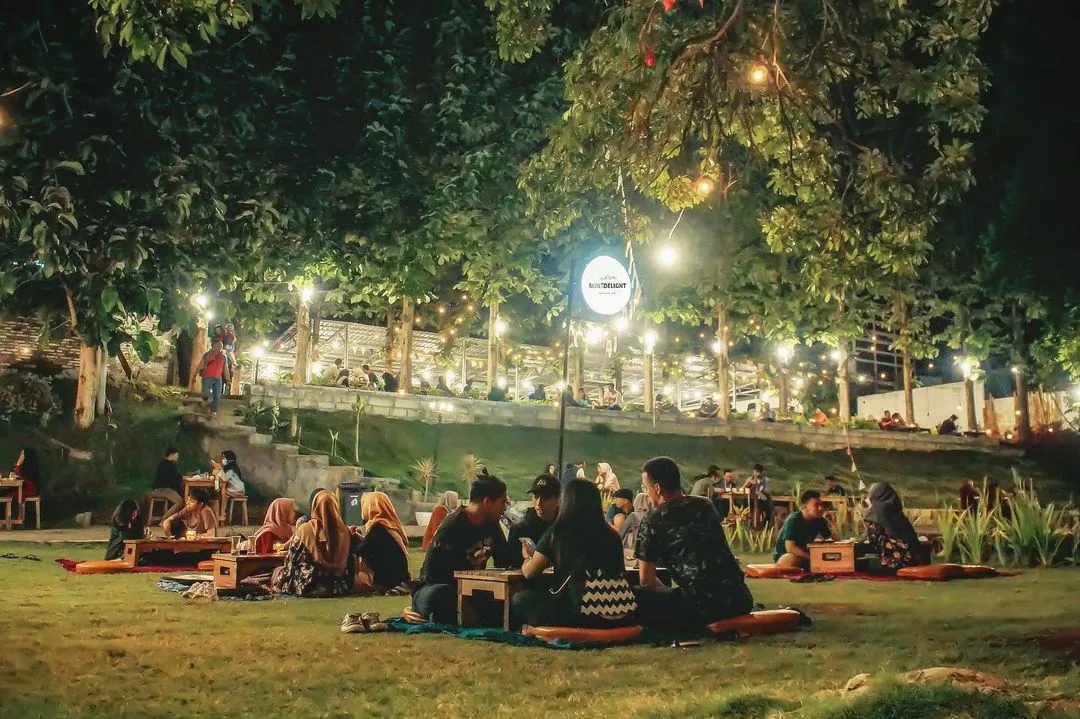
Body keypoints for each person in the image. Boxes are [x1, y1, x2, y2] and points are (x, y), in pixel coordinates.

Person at [634, 457, 753, 630]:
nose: (646, 493)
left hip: (701, 608)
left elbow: (646, 581)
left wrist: (666, 593)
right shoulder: (705, 505)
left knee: (637, 593)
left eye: (646, 488)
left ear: (657, 488)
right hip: (740, 599)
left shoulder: (652, 520)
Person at [512, 480, 635, 628]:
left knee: (521, 598)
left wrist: (528, 557)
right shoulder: (612, 535)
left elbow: (529, 572)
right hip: (616, 612)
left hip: (576, 613)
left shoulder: (558, 533)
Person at [411, 474, 511, 624]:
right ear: (487, 502)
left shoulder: (492, 525)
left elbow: (505, 561)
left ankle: (463, 615)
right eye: (502, 503)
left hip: (470, 590)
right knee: (441, 595)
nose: (504, 509)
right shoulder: (452, 525)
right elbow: (431, 575)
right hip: (437, 588)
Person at [274, 490, 353, 598]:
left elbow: (291, 561)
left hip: (307, 586)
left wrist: (281, 581)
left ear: (314, 506)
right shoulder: (345, 532)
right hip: (339, 587)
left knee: (276, 573)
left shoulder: (305, 530)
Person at [858, 482, 929, 574]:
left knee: (861, 564)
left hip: (896, 563)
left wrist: (857, 541)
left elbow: (872, 540)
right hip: (914, 559)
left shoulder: (876, 514)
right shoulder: (895, 510)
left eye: (870, 495)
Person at [355, 491, 411, 592]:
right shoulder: (389, 526)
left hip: (388, 582)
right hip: (399, 578)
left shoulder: (378, 527)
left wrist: (351, 538)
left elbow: (361, 549)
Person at [506, 474, 561, 570]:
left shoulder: (566, 528)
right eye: (536, 496)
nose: (539, 503)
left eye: (545, 497)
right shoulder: (519, 531)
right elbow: (511, 569)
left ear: (558, 500)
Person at [773, 490, 833, 569]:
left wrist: (833, 523)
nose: (821, 508)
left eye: (821, 505)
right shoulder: (794, 519)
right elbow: (791, 548)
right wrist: (813, 558)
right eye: (816, 505)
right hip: (787, 556)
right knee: (792, 558)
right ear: (805, 506)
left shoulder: (820, 520)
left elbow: (831, 538)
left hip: (804, 554)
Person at [195, 340, 229, 415]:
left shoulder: (223, 356)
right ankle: (204, 405)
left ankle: (214, 412)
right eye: (218, 345)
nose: (220, 347)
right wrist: (194, 376)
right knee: (205, 393)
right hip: (207, 376)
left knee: (217, 395)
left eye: (221, 346)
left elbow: (225, 368)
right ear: (213, 345)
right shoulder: (207, 354)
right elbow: (200, 365)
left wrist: (228, 378)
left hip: (218, 378)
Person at [151, 446, 184, 515]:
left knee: (178, 495)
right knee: (180, 501)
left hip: (159, 489)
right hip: (163, 490)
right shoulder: (170, 465)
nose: (177, 457)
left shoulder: (162, 463)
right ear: (171, 455)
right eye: (176, 455)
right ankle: (165, 520)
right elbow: (177, 477)